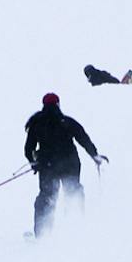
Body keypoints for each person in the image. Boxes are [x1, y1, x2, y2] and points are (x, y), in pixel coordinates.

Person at [23, 93, 104, 237]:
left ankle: (42, 234)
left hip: (48, 166)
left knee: (47, 197)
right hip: (70, 164)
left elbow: (28, 149)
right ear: (58, 105)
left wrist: (33, 162)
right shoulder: (67, 121)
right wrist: (94, 155)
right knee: (73, 193)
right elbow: (83, 138)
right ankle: (76, 229)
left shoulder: (36, 123)